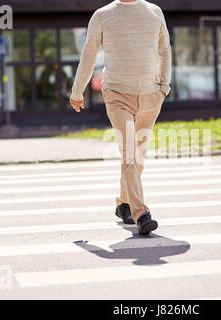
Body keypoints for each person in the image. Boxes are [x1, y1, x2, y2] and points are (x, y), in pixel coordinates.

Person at [70, 0, 171, 235]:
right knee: (129, 153)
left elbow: (164, 50)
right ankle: (141, 214)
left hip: (151, 95)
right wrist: (77, 91)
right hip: (117, 95)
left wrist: (164, 87)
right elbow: (89, 54)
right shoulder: (102, 15)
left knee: (139, 157)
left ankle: (124, 203)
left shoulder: (154, 12)